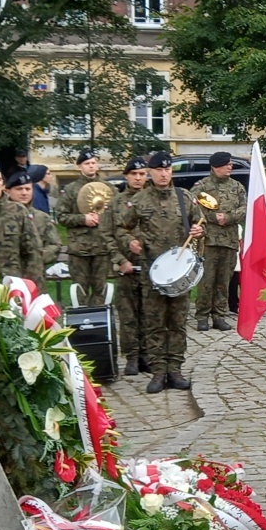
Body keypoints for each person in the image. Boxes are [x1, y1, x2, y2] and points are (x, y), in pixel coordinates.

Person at [116, 152, 206, 394]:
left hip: (179, 271)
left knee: (177, 323)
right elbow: (121, 228)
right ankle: (157, 372)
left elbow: (200, 223)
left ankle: (175, 370)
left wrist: (198, 232)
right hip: (151, 272)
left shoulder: (184, 197)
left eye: (167, 169)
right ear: (151, 172)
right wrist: (130, 242)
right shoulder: (140, 200)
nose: (164, 174)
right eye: (158, 170)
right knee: (154, 323)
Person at [190, 152, 246, 332]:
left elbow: (244, 208)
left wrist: (228, 217)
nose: (230, 167)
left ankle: (219, 315)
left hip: (229, 240)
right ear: (215, 167)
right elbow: (193, 208)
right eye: (226, 164)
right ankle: (202, 316)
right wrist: (214, 217)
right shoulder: (202, 186)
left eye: (230, 164)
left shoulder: (237, 187)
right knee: (207, 280)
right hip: (209, 241)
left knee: (224, 280)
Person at [109, 157, 151, 376]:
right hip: (126, 267)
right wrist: (120, 260)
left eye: (142, 174)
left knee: (149, 313)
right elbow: (107, 235)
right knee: (128, 315)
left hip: (150, 266)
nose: (138, 178)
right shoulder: (116, 203)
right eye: (134, 174)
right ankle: (132, 356)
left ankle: (147, 355)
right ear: (126, 176)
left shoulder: (152, 199)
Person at [55, 150, 114, 306]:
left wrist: (104, 217)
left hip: (102, 247)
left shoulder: (108, 188)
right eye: (87, 163)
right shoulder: (71, 190)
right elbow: (61, 216)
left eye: (93, 163)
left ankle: (99, 318)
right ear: (79, 166)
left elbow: (117, 215)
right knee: (80, 291)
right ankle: (81, 319)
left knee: (101, 291)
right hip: (79, 250)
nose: (91, 166)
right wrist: (83, 219)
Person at [4, 168, 59, 283]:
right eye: (19, 189)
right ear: (8, 191)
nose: (24, 193)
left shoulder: (42, 217)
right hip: (7, 277)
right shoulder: (1, 216)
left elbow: (54, 245)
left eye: (28, 189)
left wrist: (37, 257)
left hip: (34, 277)